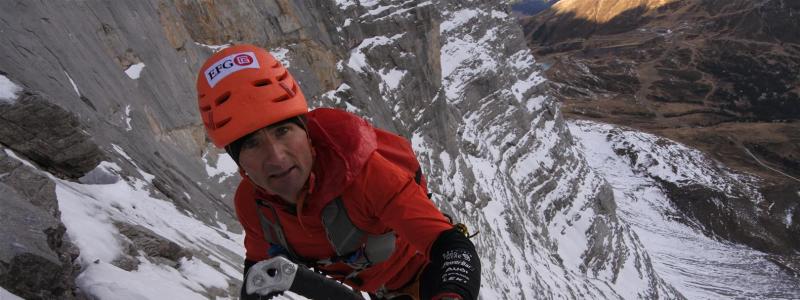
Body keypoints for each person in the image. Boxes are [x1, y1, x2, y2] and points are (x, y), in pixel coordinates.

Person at [195, 44, 480, 300]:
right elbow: (259, 271)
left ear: (306, 133)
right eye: (252, 144)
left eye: (283, 131)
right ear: (240, 163)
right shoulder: (256, 207)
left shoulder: (364, 175)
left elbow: (452, 247)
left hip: (430, 277)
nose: (276, 157)